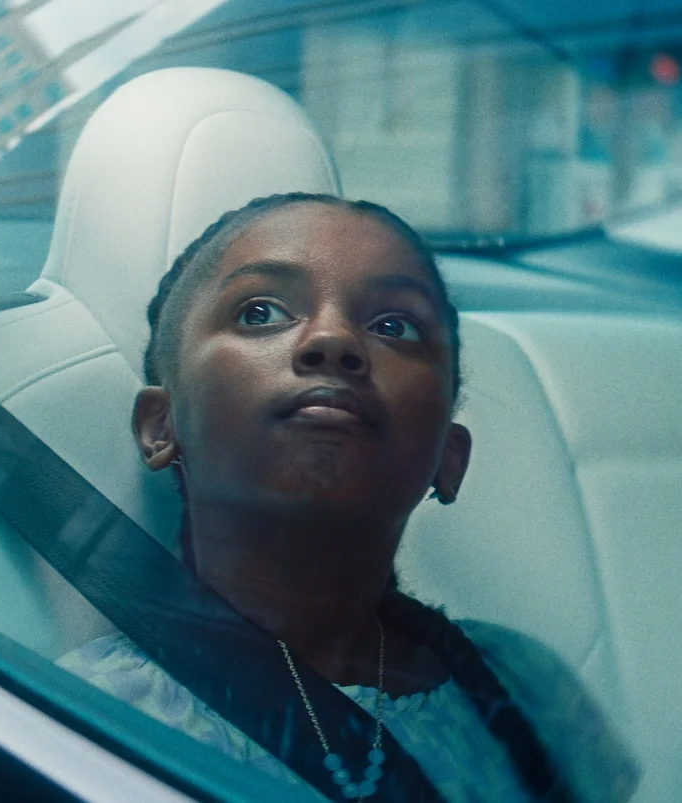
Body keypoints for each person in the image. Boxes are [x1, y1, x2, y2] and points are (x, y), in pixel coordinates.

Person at [57, 193, 638, 802]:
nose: (333, 340)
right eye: (260, 312)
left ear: (449, 457)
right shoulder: (89, 719)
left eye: (394, 327)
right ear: (161, 426)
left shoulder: (527, 691)